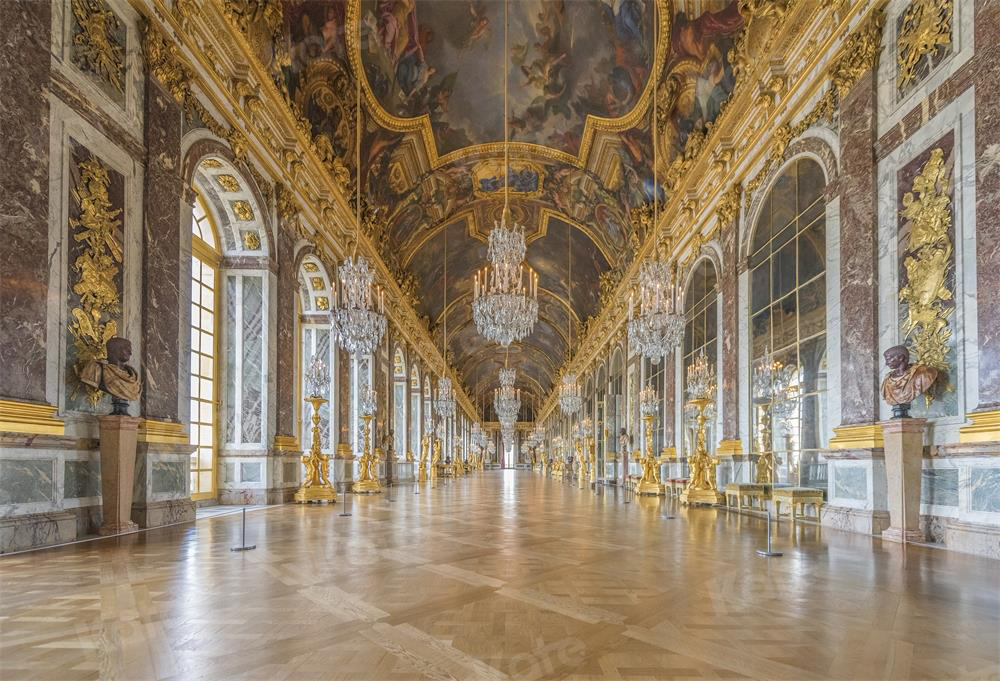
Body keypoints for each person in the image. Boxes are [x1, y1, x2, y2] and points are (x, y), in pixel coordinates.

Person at [79, 337, 141, 415]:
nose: (130, 353)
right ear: (114, 350)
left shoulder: (133, 375)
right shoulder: (96, 369)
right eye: (126, 349)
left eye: (130, 350)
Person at [880, 345, 938, 417]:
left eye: (888, 359)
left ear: (901, 358)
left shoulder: (923, 373)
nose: (886, 363)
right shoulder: (887, 379)